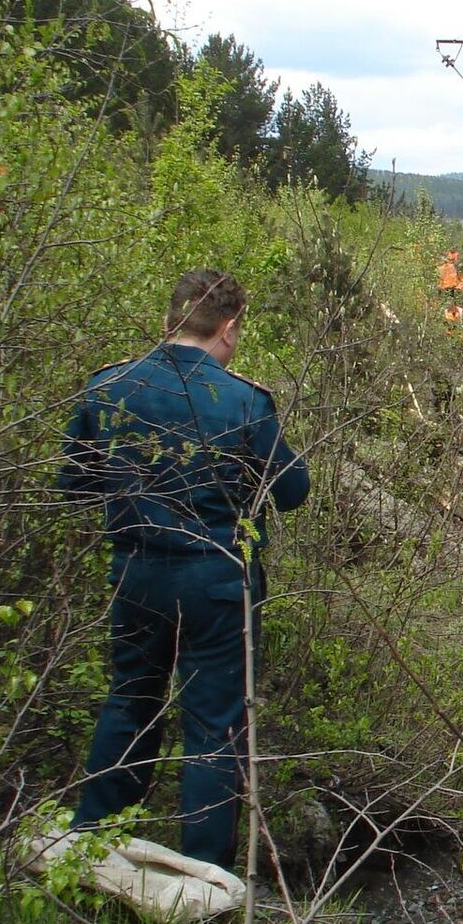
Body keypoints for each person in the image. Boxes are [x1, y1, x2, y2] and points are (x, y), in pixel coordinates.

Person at [59, 270, 310, 871]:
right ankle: (203, 867)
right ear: (227, 328)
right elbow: (293, 489)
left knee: (130, 699)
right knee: (213, 721)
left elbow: (73, 483)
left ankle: (91, 842)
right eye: (237, 332)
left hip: (137, 571)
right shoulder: (243, 401)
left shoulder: (109, 387)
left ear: (170, 319)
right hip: (217, 579)